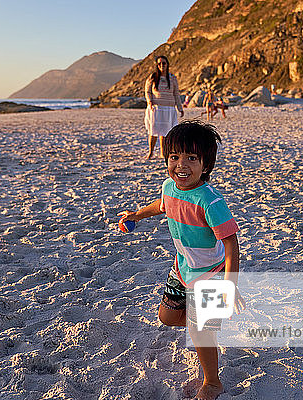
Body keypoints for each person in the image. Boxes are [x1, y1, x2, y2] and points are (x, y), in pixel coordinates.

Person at [118, 121, 245, 400]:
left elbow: (231, 243)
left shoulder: (210, 201)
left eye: (191, 158)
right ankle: (206, 326)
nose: (181, 165)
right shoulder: (169, 187)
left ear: (205, 165)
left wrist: (230, 284)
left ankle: (212, 382)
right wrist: (137, 215)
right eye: (174, 157)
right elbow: (161, 205)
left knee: (200, 331)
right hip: (182, 268)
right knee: (168, 316)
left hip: (211, 274)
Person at [144, 56, 184, 160]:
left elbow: (176, 94)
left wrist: (180, 108)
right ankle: (151, 152)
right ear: (157, 65)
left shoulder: (172, 78)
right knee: (153, 132)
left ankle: (163, 152)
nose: (162, 65)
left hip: (169, 108)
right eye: (159, 63)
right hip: (156, 108)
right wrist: (150, 102)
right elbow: (147, 91)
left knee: (165, 132)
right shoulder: (152, 77)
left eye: (164, 63)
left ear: (167, 64)